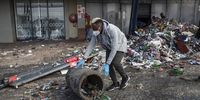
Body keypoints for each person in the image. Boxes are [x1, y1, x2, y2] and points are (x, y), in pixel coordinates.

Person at [76, 17, 130, 91]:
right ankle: (115, 83)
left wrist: (107, 63)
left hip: (120, 45)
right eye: (93, 30)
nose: (94, 32)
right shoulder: (96, 32)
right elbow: (91, 45)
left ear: (100, 27)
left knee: (115, 63)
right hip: (109, 46)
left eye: (96, 30)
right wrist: (84, 58)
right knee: (109, 65)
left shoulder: (112, 30)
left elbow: (114, 48)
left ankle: (125, 77)